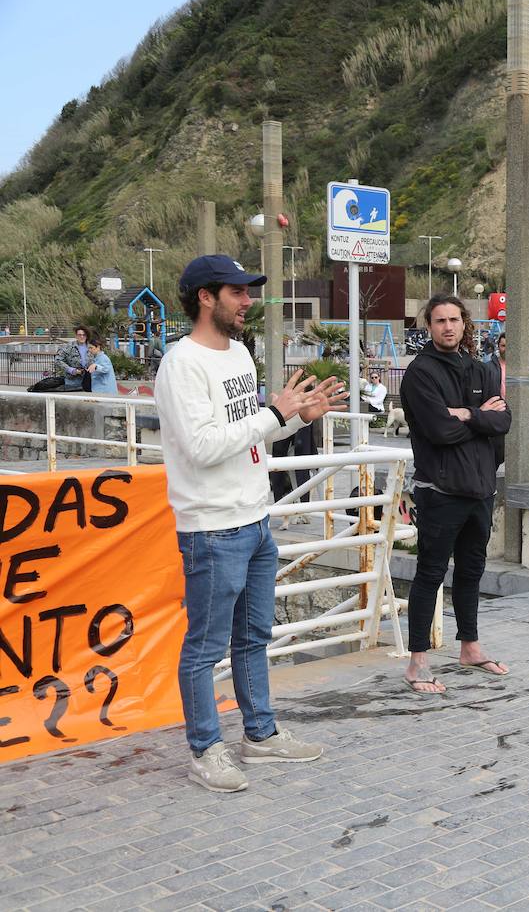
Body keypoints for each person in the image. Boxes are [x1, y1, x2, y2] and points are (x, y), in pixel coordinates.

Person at [156, 254, 346, 792]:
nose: (248, 301)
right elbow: (200, 448)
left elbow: (251, 434)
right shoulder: (181, 364)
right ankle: (205, 750)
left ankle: (259, 736)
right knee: (204, 648)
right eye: (238, 292)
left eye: (248, 291)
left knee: (254, 637)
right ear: (205, 297)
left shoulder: (240, 353)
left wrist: (294, 420)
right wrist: (276, 414)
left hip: (255, 519)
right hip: (212, 527)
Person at [400, 295, 512, 692]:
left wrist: (465, 414)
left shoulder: (480, 370)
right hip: (440, 490)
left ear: (465, 324)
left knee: (471, 571)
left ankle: (470, 647)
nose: (448, 327)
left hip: (480, 488)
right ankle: (417, 662)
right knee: (430, 573)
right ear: (429, 326)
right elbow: (439, 431)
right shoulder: (420, 374)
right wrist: (481, 418)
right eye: (439, 320)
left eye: (454, 320)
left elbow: (505, 420)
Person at [55, 325, 93, 391]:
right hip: (72, 381)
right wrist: (71, 370)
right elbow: (58, 360)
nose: (82, 337)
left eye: (84, 335)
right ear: (76, 336)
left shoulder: (92, 347)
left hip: (89, 381)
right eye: (79, 335)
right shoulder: (68, 346)